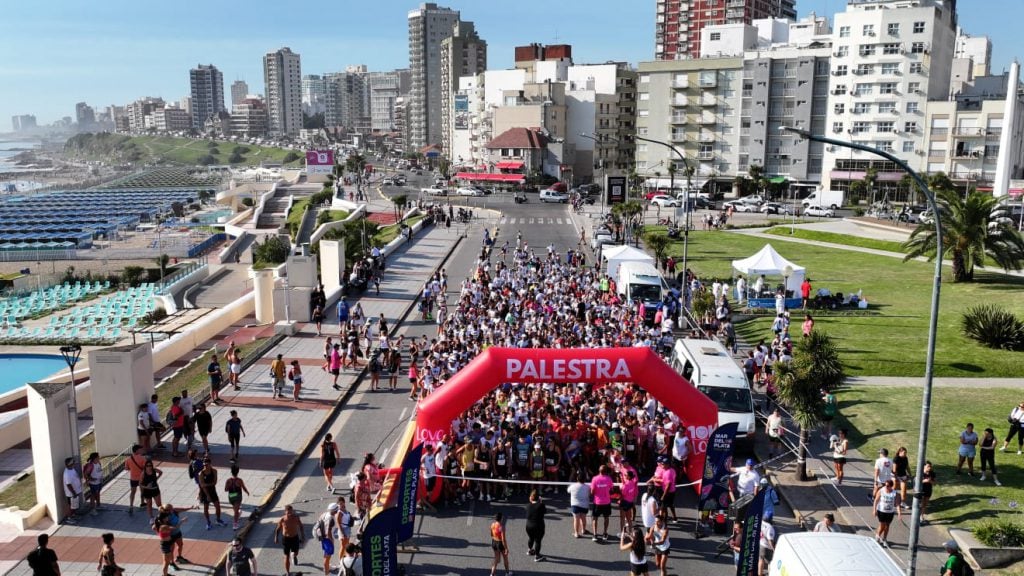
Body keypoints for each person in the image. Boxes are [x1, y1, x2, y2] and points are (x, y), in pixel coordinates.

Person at [198, 457, 227, 529]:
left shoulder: (214, 471)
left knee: (217, 505)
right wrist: (208, 495)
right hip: (204, 492)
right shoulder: (201, 473)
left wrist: (206, 484)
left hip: (212, 491)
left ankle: (218, 520)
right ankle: (208, 522)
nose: (205, 466)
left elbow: (215, 482)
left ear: (210, 464)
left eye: (207, 465)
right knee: (206, 508)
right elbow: (202, 486)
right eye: (204, 465)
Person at [274, 504, 304, 575]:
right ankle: (288, 572)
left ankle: (294, 556)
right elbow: (278, 529)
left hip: (295, 538)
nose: (290, 514)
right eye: (288, 513)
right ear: (285, 512)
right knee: (286, 556)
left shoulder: (296, 518)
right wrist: (276, 537)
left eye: (291, 512)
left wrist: (302, 536)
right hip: (286, 539)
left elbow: (301, 527)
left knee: (296, 552)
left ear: (293, 511)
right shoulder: (282, 519)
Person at [872, 479, 901, 547]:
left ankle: (884, 539)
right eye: (885, 485)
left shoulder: (894, 493)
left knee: (887, 525)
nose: (886, 487)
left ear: (891, 486)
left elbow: (897, 504)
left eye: (887, 486)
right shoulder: (881, 490)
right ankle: (877, 536)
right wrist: (874, 510)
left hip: (890, 512)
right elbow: (876, 500)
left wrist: (899, 513)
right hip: (881, 511)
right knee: (882, 525)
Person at [590, 464, 614, 541]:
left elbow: (592, 492)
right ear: (606, 471)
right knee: (606, 518)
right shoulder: (609, 479)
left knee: (595, 518)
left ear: (599, 471)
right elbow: (611, 489)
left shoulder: (594, 479)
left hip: (597, 502)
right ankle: (605, 533)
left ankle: (595, 535)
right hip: (606, 502)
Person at [316, 503, 339, 576]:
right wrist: (331, 540)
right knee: (327, 557)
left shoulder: (325, 514)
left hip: (322, 538)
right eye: (337, 509)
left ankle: (327, 566)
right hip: (327, 539)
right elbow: (328, 532)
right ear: (334, 510)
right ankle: (327, 573)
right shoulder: (331, 519)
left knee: (326, 554)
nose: (337, 510)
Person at [225, 465, 250, 529]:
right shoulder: (239, 480)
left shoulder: (228, 480)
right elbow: (243, 488)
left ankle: (238, 514)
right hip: (238, 496)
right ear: (238, 472)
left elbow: (226, 490)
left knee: (235, 509)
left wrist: (230, 486)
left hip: (231, 496)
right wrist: (247, 492)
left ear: (231, 472)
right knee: (236, 511)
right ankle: (235, 524)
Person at [124, 444, 146, 516]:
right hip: (141, 478)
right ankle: (142, 503)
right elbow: (145, 468)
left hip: (133, 478)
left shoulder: (128, 459)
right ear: (137, 450)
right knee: (142, 491)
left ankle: (131, 505)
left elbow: (126, 468)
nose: (141, 450)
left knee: (133, 492)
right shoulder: (143, 458)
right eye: (140, 449)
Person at [525, 489, 547, 561]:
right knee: (538, 541)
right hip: (538, 526)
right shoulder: (541, 505)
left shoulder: (527, 506)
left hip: (528, 526)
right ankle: (537, 556)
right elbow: (544, 512)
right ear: (538, 498)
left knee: (531, 538)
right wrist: (540, 502)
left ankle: (530, 550)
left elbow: (532, 505)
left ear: (531, 497)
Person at [568, 472, 592, 538]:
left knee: (576, 519)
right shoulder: (588, 487)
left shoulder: (573, 486)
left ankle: (576, 533)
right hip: (584, 505)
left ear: (577, 478)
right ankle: (583, 530)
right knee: (583, 518)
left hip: (575, 505)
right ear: (585, 479)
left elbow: (568, 491)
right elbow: (590, 494)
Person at [489, 512, 512, 576]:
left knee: (496, 559)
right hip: (500, 543)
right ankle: (507, 573)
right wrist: (506, 548)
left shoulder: (492, 524)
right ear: (501, 518)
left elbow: (491, 534)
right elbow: (503, 539)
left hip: (494, 542)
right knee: (505, 559)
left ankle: (492, 574)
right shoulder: (501, 527)